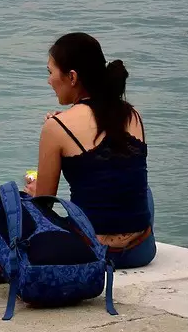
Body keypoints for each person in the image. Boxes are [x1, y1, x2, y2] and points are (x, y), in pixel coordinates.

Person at [28, 32, 155, 269]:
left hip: (91, 251)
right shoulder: (132, 114)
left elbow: (42, 209)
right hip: (141, 250)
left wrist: (35, 192)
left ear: (72, 77)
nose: (49, 81)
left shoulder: (56, 127)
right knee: (143, 192)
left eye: (50, 73)